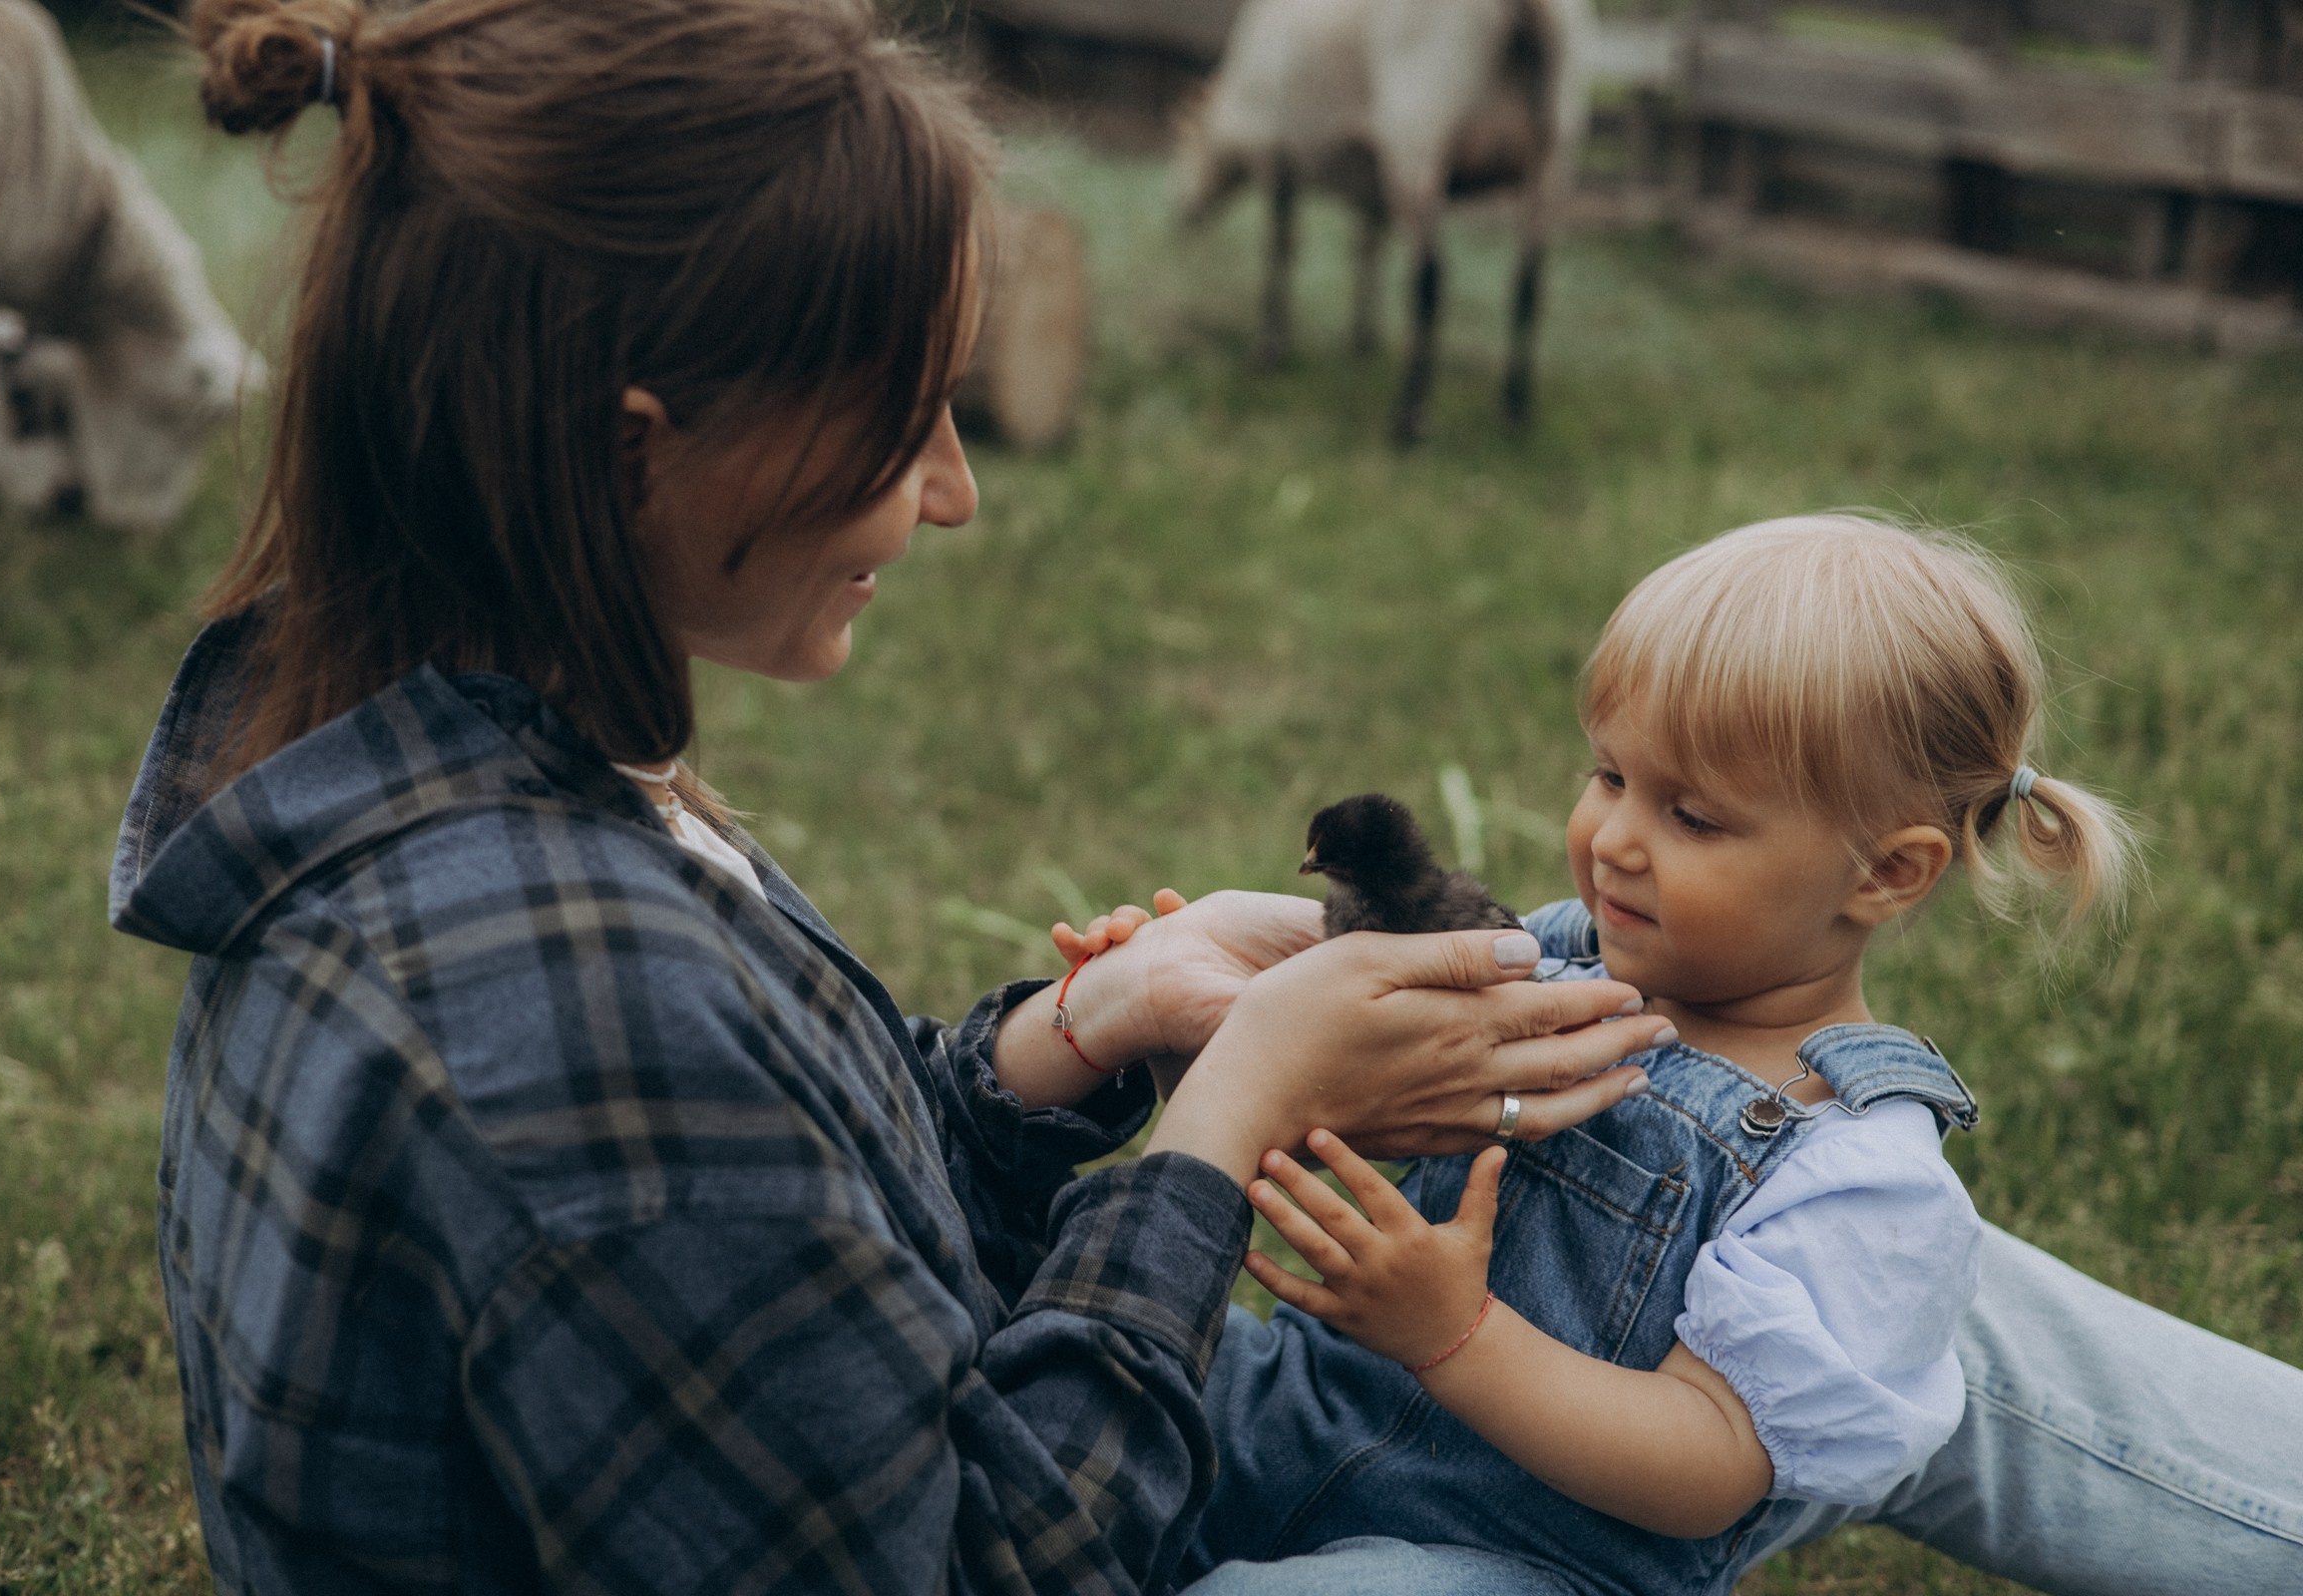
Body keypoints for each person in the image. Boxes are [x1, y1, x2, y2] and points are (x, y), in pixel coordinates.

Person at [112, 2, 2303, 1592]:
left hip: (1117, 1444)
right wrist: (1225, 1120)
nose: (957, 491)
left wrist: (1089, 1031)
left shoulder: (480, 784)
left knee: (1842, 1238)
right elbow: (982, 1555)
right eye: (907, 421)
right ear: (639, 444)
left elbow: (800, 1224)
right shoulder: (545, 1011)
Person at [1174, 521, 2303, 1596]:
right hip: (1292, 1411)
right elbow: (1349, 1063)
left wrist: (1457, 1334)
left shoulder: (1853, 1182)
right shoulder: (1551, 965)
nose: (1613, 839)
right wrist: (1209, 1003)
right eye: (1609, 776)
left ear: (1887, 874)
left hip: (1507, 1560)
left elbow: (1711, 1466)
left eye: (1694, 819)